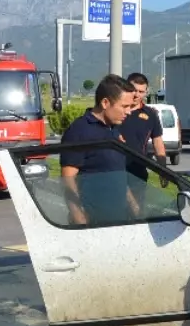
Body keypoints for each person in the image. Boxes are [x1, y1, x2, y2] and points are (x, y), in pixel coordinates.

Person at [59, 75, 138, 226]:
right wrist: (80, 219)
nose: (129, 112)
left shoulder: (114, 129)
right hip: (94, 223)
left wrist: (133, 206)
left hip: (119, 219)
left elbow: (117, 172)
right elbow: (67, 180)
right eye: (124, 106)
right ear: (105, 103)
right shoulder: (80, 131)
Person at [123, 72, 168, 170]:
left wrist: (163, 168)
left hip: (138, 169)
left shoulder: (151, 114)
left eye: (141, 91)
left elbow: (158, 142)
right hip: (113, 169)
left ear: (146, 92)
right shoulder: (115, 110)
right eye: (134, 90)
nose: (137, 95)